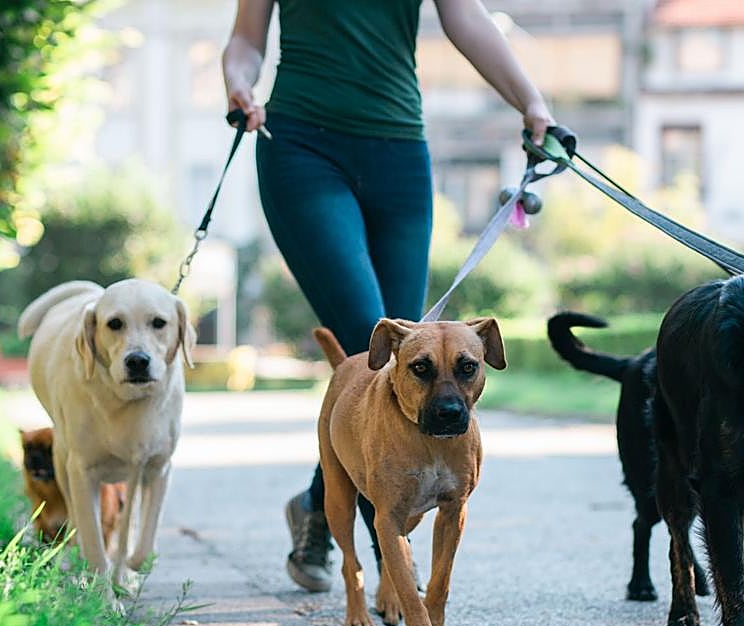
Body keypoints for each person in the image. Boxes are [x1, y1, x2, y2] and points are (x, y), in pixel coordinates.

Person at [223, 0, 554, 592]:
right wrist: (239, 84)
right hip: (300, 146)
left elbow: (466, 18)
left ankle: (319, 502)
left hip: (399, 151)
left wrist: (531, 102)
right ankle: (387, 559)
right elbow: (246, 39)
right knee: (373, 346)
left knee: (414, 357)